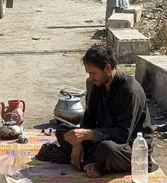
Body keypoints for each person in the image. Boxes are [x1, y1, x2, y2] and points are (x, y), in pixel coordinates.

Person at [54, 46, 156, 178]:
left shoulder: (130, 92)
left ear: (107, 68)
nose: (90, 78)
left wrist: (89, 134)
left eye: (93, 73)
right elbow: (89, 117)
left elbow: (122, 134)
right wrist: (77, 143)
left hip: (128, 147)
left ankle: (96, 163)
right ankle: (93, 162)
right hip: (102, 139)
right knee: (64, 131)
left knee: (107, 149)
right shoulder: (98, 85)